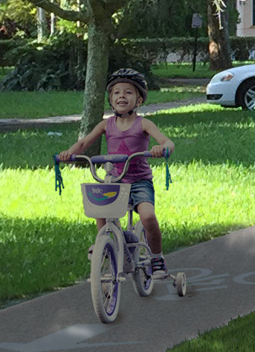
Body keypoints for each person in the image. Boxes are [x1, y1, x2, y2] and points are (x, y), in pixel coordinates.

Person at [58, 70, 176, 274]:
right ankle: (104, 241)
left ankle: (157, 258)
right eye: (116, 93)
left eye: (128, 92)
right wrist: (69, 153)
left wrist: (162, 148)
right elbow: (84, 142)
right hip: (115, 181)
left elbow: (167, 141)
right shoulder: (106, 125)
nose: (122, 96)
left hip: (139, 181)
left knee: (147, 217)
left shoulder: (144, 124)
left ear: (139, 100)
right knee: (100, 207)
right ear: (111, 100)